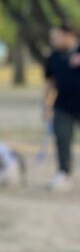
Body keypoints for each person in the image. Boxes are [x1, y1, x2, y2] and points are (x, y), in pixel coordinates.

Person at [42, 24, 80, 191]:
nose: (53, 41)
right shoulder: (54, 57)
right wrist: (45, 105)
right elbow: (50, 83)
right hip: (63, 105)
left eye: (56, 37)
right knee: (62, 138)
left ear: (69, 35)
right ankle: (64, 173)